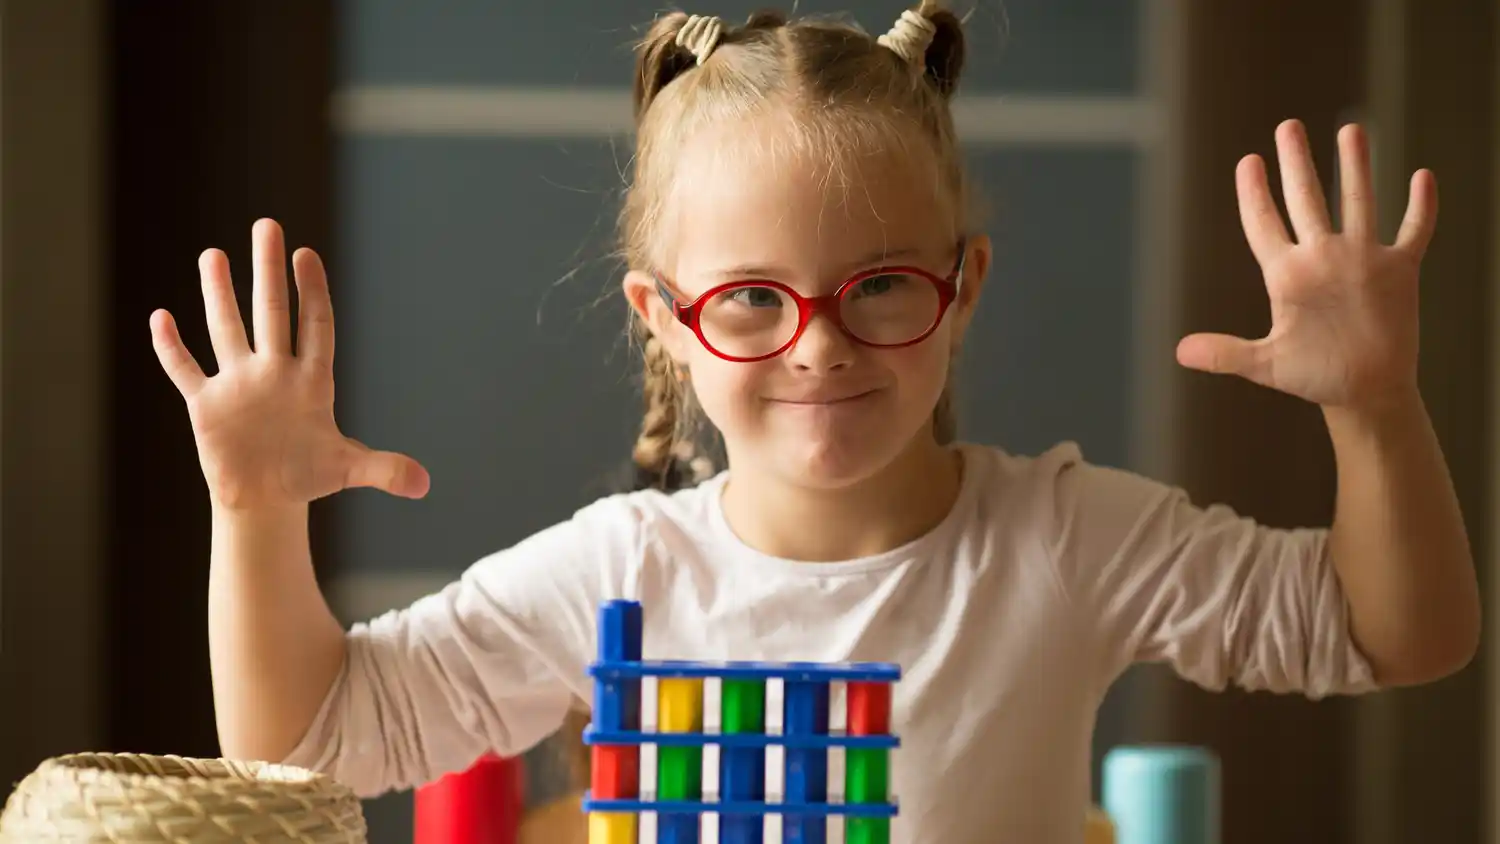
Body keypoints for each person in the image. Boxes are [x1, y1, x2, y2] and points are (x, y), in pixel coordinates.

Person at [147, 2, 1478, 841]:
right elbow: (302, 747)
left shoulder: (1064, 540)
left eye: (881, 285)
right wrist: (256, 514)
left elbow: (1396, 634)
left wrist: (1374, 407)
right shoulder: (620, 571)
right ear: (663, 320)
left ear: (963, 292)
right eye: (750, 301)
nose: (822, 346)